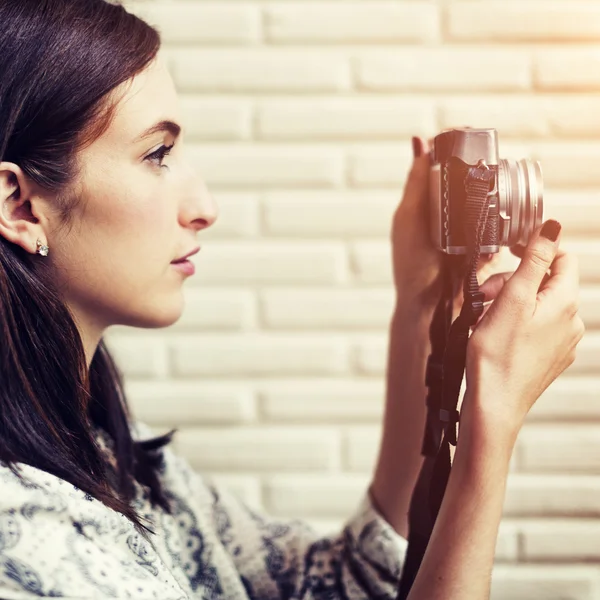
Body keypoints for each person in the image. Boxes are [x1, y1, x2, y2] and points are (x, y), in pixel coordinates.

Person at [0, 1, 584, 599]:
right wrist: (492, 422)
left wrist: (421, 303)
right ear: (19, 205)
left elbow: (343, 583)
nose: (205, 206)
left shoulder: (117, 465)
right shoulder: (23, 535)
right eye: (156, 155)